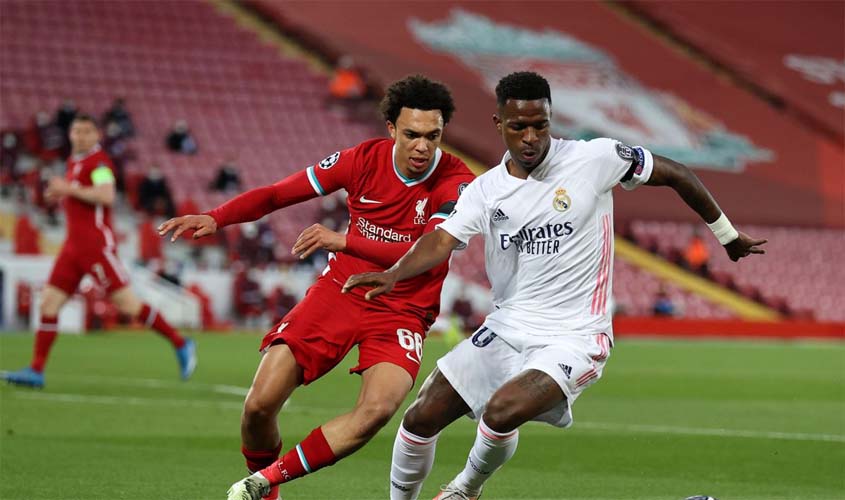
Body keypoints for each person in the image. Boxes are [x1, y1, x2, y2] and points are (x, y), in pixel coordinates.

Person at [343, 71, 767, 500]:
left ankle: (463, 491)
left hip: (575, 335)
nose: (530, 137)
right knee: (419, 418)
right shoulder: (486, 190)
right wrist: (395, 272)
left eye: (539, 125)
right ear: (498, 125)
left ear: (551, 119)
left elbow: (676, 172)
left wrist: (728, 235)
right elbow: (441, 240)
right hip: (507, 328)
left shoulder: (595, 158)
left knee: (501, 411)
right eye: (518, 127)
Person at [157, 75, 475, 500]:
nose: (422, 147)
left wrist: (344, 240)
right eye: (412, 135)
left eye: (433, 136)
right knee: (258, 406)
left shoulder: (456, 181)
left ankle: (264, 484)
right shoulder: (361, 160)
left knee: (377, 411)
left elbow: (429, 250)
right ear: (391, 130)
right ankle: (264, 487)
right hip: (340, 292)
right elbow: (277, 194)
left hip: (403, 309)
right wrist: (218, 216)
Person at [2, 115, 197, 389]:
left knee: (127, 305)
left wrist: (67, 188)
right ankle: (36, 370)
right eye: (76, 131)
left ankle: (181, 342)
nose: (80, 136)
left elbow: (106, 195)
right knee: (48, 303)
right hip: (73, 248)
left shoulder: (100, 162)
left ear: (96, 135)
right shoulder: (74, 162)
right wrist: (64, 193)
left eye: (86, 132)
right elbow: (83, 196)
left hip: (96, 246)